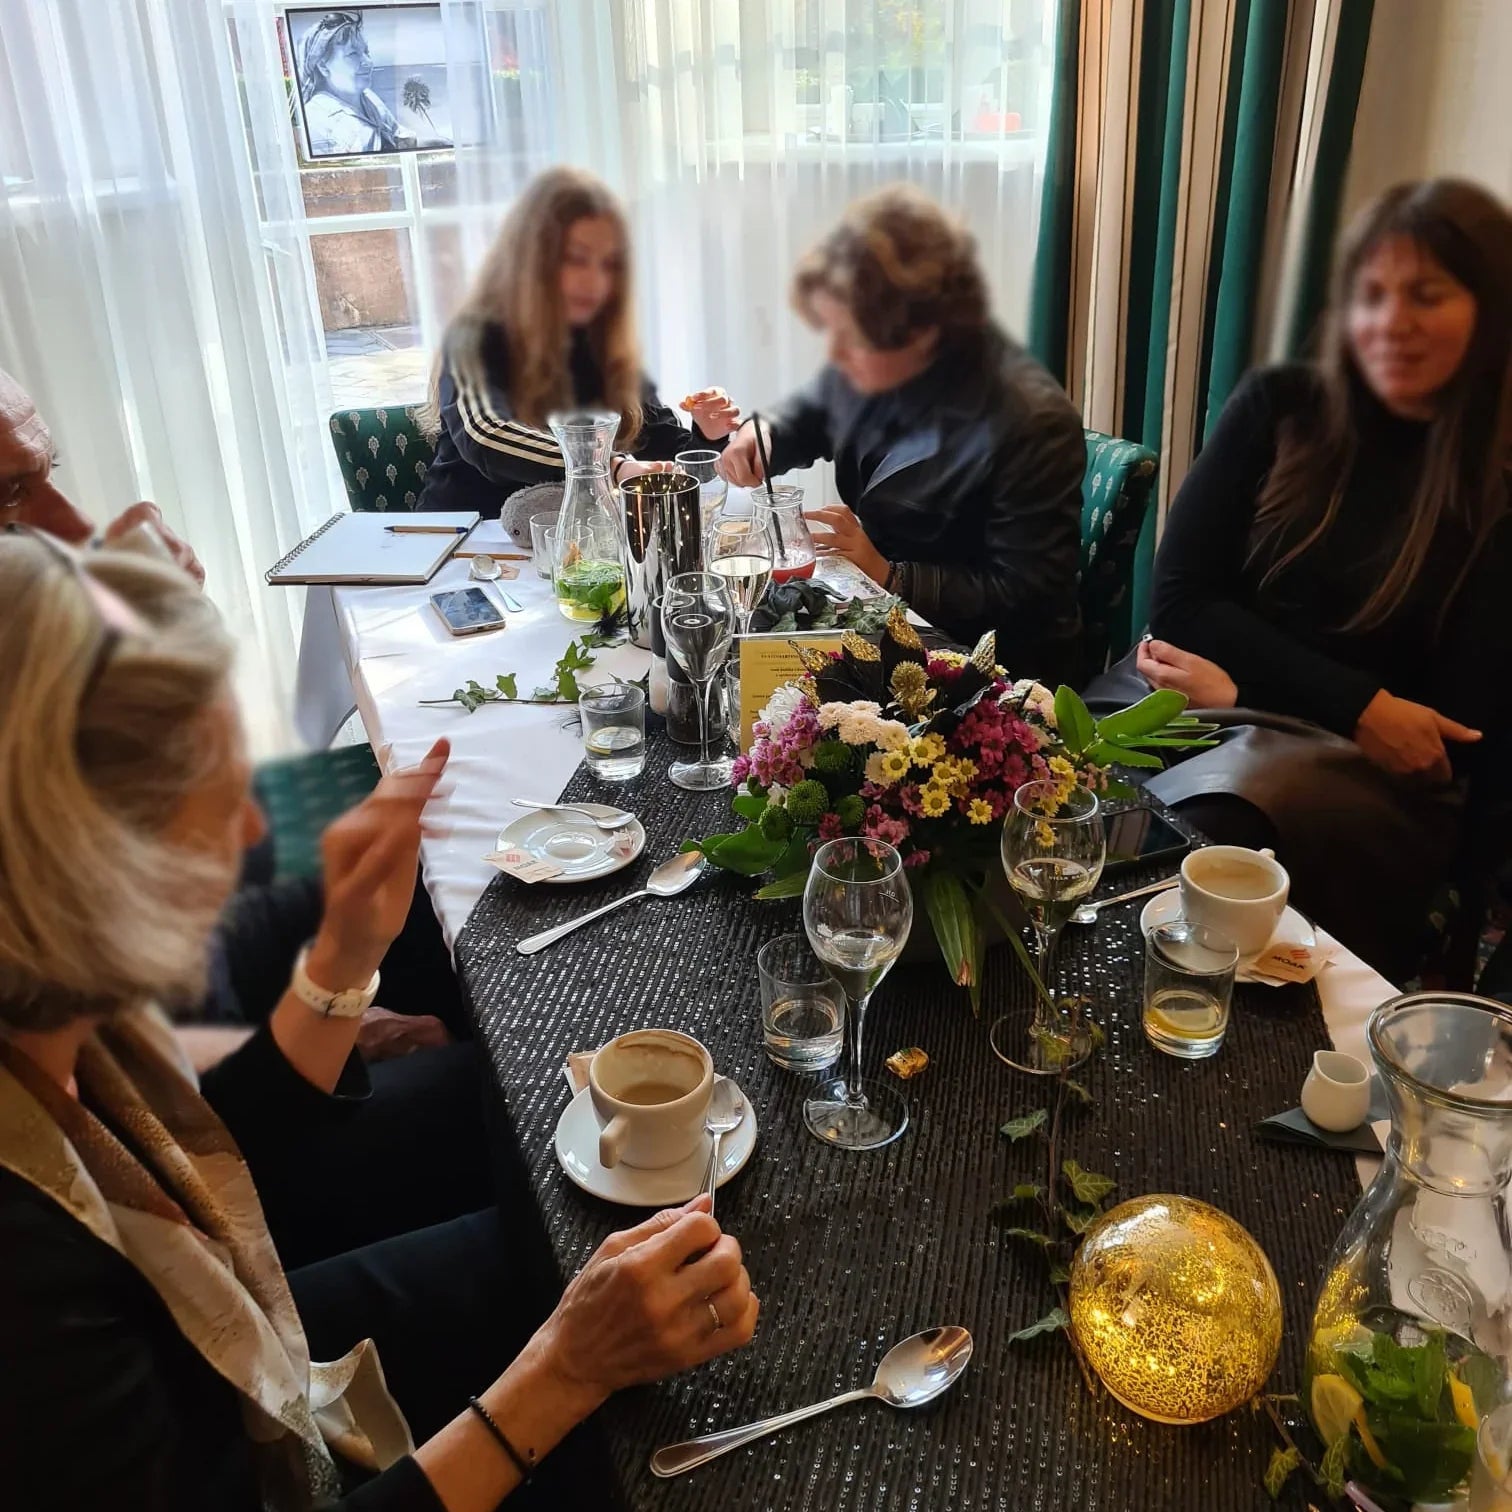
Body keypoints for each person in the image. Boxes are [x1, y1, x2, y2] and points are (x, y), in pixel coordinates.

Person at [0, 529, 760, 1510]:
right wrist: (566, 1372)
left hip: (224, 1323)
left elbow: (198, 1153)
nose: (256, 831)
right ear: (81, 861)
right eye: (214, 801)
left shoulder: (44, 1013)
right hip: (222, 1407)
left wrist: (345, 955)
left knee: (532, 1189)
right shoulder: (24, 1285)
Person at [1095, 179, 1512, 982]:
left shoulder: (1495, 483)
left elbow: (1443, 742)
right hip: (1198, 697)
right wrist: (1345, 701)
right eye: (1372, 294)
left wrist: (1248, 687)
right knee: (1047, 778)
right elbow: (1179, 599)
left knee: (1207, 837)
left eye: (1427, 295)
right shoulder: (1282, 406)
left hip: (1358, 786)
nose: (1391, 321)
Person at [718, 183, 1086, 685]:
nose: (838, 355)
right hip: (888, 622)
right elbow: (812, 412)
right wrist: (760, 432)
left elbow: (1026, 593)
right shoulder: (879, 368)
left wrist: (889, 573)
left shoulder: (1032, 422)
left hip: (984, 670)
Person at [420, 166, 741, 518]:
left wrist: (707, 437)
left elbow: (661, 453)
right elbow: (488, 436)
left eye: (608, 263)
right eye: (576, 259)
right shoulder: (475, 335)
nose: (594, 280)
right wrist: (608, 467)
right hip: (467, 545)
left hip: (577, 550)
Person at [298, 11, 418, 157]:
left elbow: (401, 138)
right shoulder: (317, 120)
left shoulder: (367, 98)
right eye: (353, 54)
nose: (368, 62)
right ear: (323, 66)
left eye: (366, 52)